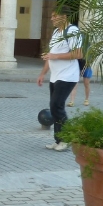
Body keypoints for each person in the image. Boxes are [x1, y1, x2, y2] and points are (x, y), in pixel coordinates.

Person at [37, 11, 82, 152]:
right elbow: (51, 55)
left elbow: (78, 53)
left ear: (64, 16)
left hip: (68, 76)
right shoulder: (56, 32)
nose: (52, 19)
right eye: (51, 16)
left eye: (55, 16)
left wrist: (54, 56)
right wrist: (43, 73)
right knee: (54, 108)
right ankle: (58, 140)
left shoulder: (72, 31)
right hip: (55, 76)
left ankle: (66, 138)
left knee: (57, 106)